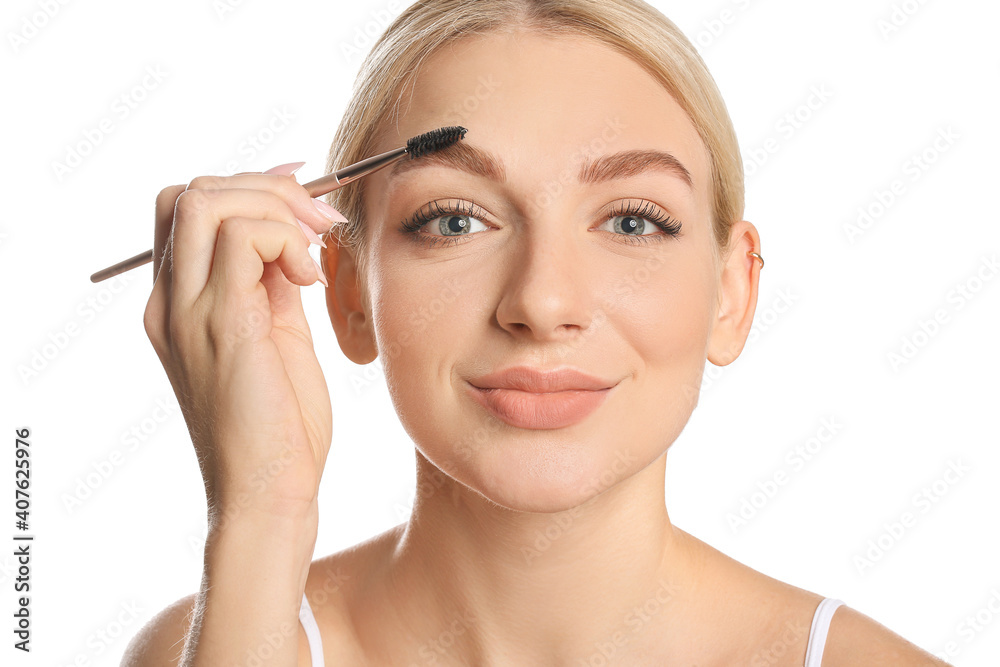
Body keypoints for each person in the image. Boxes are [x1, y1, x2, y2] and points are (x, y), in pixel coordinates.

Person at [122, 1, 952, 665]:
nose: (544, 301)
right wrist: (261, 510)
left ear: (733, 292)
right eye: (454, 220)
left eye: (632, 221)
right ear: (346, 290)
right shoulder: (225, 635)